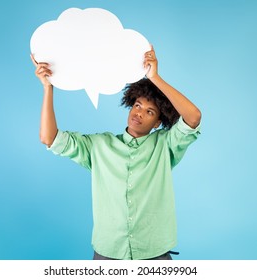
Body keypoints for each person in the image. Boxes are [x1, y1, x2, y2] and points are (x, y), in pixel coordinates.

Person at [31, 46, 201, 260]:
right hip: (108, 253)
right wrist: (48, 88)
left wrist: (154, 77)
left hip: (155, 254)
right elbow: (49, 138)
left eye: (149, 112)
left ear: (158, 122)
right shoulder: (99, 145)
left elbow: (193, 117)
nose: (139, 113)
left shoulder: (166, 145)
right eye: (137, 105)